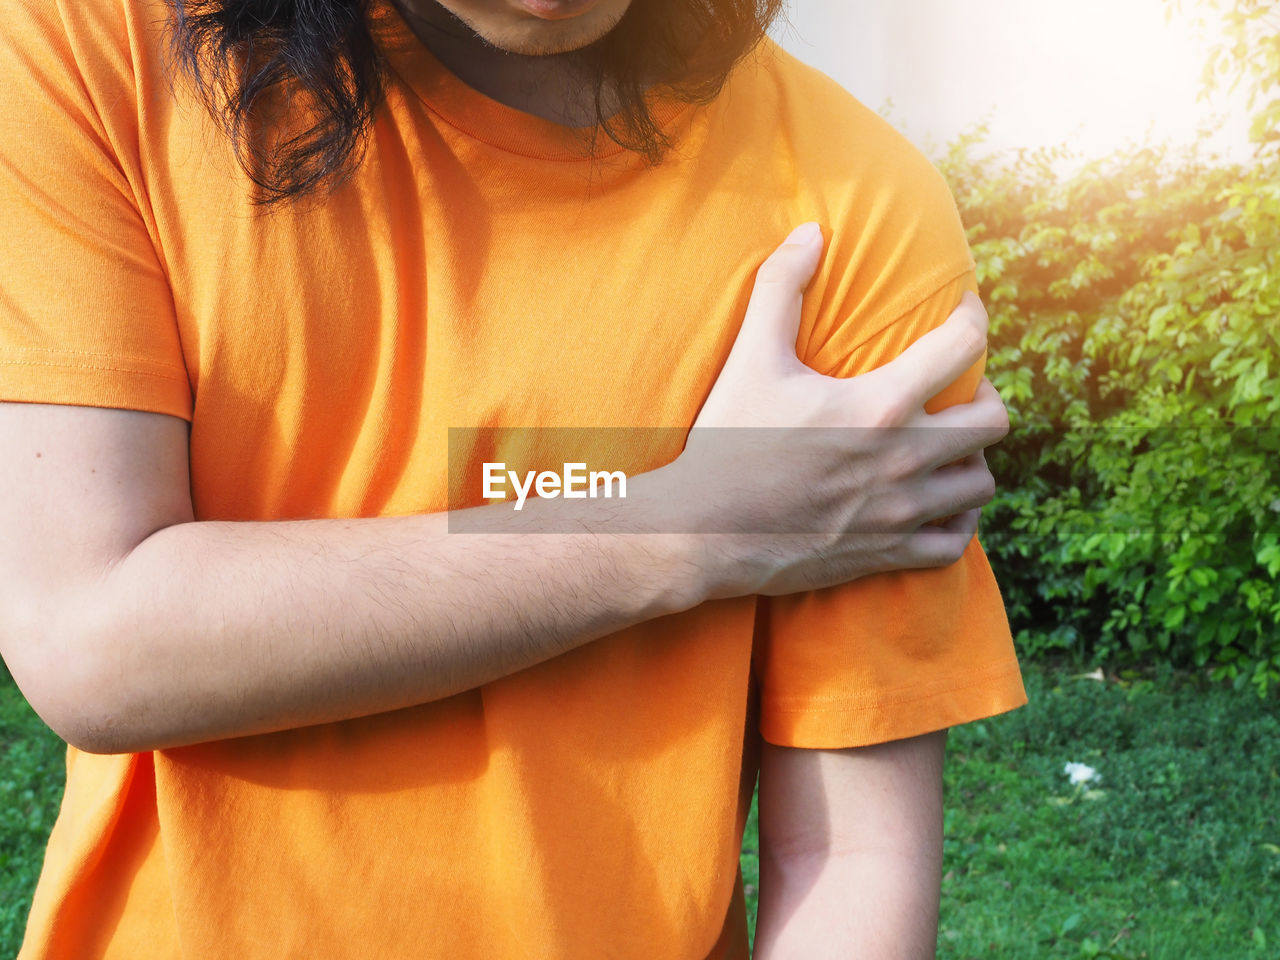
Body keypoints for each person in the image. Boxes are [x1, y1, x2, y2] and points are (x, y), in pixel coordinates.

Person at [0, 0, 1025, 956]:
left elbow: (849, 855)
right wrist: (690, 524)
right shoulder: (90, 50)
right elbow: (91, 634)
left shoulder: (848, 203)